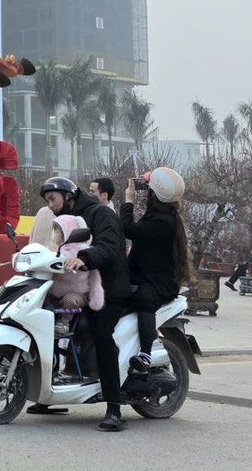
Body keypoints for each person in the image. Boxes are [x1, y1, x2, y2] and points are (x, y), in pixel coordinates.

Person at [39, 176, 132, 432]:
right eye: (48, 202)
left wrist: (85, 258)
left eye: (52, 199)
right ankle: (46, 395)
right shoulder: (64, 221)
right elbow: (54, 248)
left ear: (68, 195)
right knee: (46, 319)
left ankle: (114, 407)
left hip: (108, 288)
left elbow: (109, 247)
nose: (51, 206)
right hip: (75, 285)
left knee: (101, 334)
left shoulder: (100, 215)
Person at [121, 168, 193, 374]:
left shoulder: (163, 221)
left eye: (149, 189)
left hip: (157, 283)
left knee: (144, 299)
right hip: (146, 276)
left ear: (155, 194)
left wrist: (129, 200)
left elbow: (128, 229)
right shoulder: (160, 215)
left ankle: (146, 352)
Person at [47, 215, 104, 334]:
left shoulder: (82, 251)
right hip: (55, 290)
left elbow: (95, 277)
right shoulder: (53, 249)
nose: (55, 233)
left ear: (67, 232)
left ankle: (64, 322)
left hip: (78, 293)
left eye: (58, 230)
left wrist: (96, 297)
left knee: (70, 300)